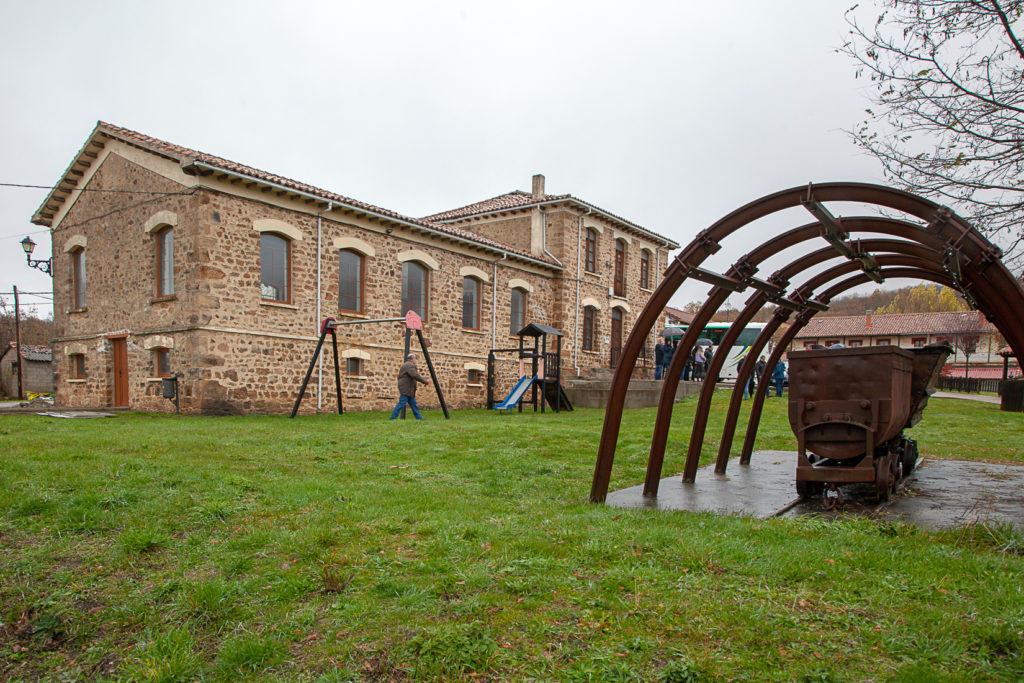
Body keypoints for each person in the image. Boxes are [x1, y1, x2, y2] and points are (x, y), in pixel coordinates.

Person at [389, 353, 428, 420]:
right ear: (412, 359)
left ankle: (419, 418)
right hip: (406, 388)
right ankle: (392, 418)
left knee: (413, 404)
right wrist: (424, 381)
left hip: (408, 389)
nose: (415, 360)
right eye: (415, 359)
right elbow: (415, 375)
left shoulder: (406, 365)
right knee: (401, 403)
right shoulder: (410, 365)